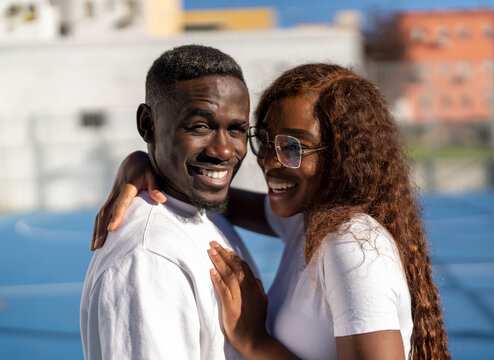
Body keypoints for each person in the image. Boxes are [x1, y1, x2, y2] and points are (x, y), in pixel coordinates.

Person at [93, 64, 450, 359]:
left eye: (292, 147)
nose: (267, 161)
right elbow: (220, 197)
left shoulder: (351, 245)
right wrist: (146, 162)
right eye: (264, 141)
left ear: (344, 157)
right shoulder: (305, 220)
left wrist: (255, 342)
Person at [80, 45, 260, 360]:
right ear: (148, 125)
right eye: (200, 127)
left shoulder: (207, 212)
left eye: (237, 130)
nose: (224, 151)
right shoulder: (148, 259)